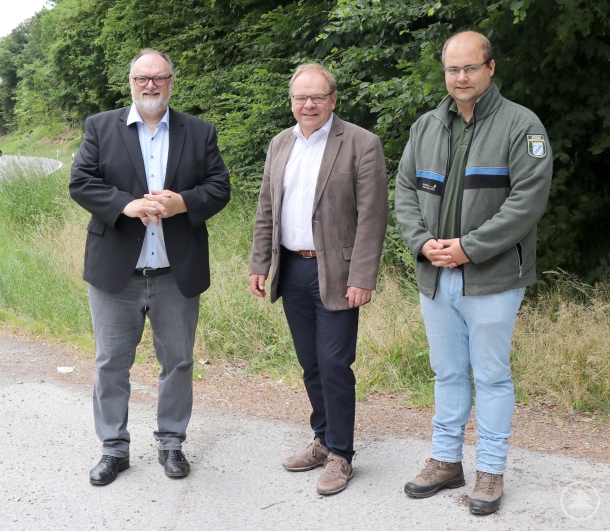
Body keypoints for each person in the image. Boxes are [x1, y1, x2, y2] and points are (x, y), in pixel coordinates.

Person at [395, 31, 553, 515]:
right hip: (436, 275)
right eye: (452, 69)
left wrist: (469, 248)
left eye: (469, 68)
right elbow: (404, 188)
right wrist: (423, 243)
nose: (460, 78)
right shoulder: (425, 127)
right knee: (446, 372)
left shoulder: (521, 125)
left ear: (491, 68)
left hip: (493, 277)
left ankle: (490, 469)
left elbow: (527, 203)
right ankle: (446, 461)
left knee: (491, 376)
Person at [69, 49, 230, 486]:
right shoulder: (100, 127)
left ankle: (172, 443)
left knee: (177, 362)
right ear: (131, 82)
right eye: (142, 78)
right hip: (115, 274)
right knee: (110, 363)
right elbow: (81, 182)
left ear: (172, 81)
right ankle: (113, 449)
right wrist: (126, 204)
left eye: (159, 78)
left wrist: (184, 203)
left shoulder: (199, 132)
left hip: (176, 275)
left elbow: (219, 188)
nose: (151, 85)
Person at [249, 63, 388, 496]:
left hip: (338, 272)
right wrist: (260, 263)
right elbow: (267, 208)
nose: (307, 105)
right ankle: (323, 440)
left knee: (333, 362)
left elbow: (372, 218)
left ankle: (342, 455)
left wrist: (362, 275)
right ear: (291, 101)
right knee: (310, 362)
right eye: (300, 98)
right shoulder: (280, 143)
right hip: (291, 269)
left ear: (333, 99)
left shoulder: (361, 144)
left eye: (316, 97)